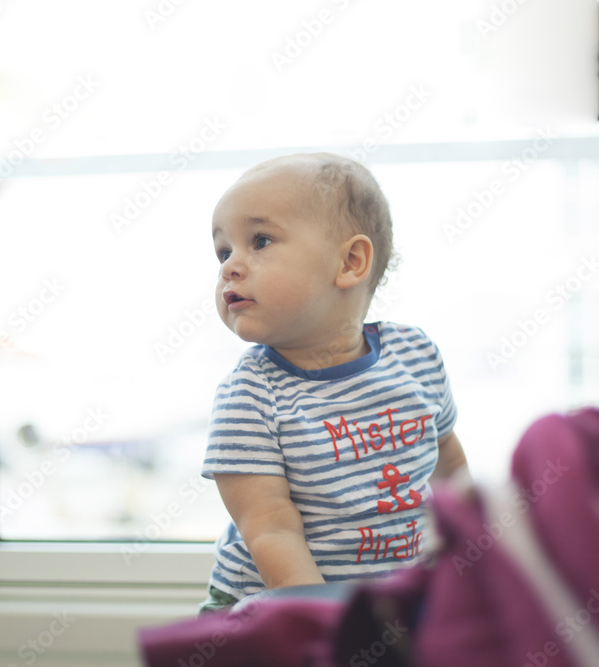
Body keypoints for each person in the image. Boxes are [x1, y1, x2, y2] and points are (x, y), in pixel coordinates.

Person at [199, 153, 468, 614]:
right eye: (224, 251)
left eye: (259, 241)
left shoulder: (416, 356)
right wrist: (329, 627)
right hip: (277, 612)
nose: (229, 266)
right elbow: (271, 531)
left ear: (351, 261)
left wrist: (470, 557)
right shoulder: (249, 397)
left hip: (395, 605)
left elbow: (450, 468)